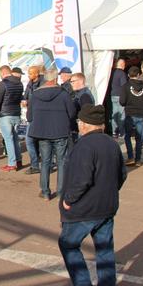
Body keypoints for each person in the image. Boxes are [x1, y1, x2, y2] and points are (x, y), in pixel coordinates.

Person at [58, 104, 127, 286]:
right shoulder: (112, 144)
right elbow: (121, 175)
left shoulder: (84, 146)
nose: (79, 124)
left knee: (69, 244)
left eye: (80, 122)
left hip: (84, 209)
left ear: (86, 125)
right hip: (106, 205)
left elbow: (81, 180)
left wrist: (69, 200)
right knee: (105, 248)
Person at [28, 67, 76, 200]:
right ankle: (61, 192)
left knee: (45, 162)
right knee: (61, 162)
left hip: (42, 133)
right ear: (55, 79)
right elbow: (72, 113)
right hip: (60, 131)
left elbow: (29, 117)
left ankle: (45, 192)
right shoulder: (64, 94)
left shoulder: (35, 94)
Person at [0, 65, 24, 172]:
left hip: (5, 115)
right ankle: (18, 161)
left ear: (3, 73)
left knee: (8, 139)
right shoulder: (20, 83)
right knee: (15, 139)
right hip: (16, 113)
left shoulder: (3, 84)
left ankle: (11, 163)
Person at [120, 66, 143, 166]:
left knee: (128, 137)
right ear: (139, 75)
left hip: (130, 114)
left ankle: (130, 157)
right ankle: (138, 159)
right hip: (141, 114)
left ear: (128, 75)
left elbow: (122, 101)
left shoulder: (125, 86)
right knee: (139, 137)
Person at [22, 65, 42, 174]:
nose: (29, 75)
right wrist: (25, 101)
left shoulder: (42, 83)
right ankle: (35, 164)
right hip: (31, 116)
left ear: (36, 74)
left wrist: (30, 102)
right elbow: (25, 96)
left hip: (40, 116)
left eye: (30, 73)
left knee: (33, 140)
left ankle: (37, 164)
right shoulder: (30, 84)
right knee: (30, 140)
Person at [70, 72, 95, 141]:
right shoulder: (79, 94)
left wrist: (80, 124)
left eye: (73, 81)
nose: (71, 84)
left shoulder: (84, 96)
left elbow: (87, 113)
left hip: (82, 128)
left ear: (81, 81)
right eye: (71, 82)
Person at [109, 58, 128, 138]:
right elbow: (124, 85)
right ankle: (121, 132)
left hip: (112, 95)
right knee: (121, 114)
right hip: (120, 96)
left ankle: (114, 131)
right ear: (122, 65)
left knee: (114, 114)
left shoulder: (111, 73)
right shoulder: (122, 74)